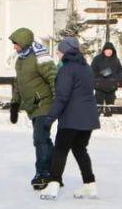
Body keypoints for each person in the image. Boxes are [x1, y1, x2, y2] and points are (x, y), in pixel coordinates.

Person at [40, 37, 101, 200]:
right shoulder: (86, 67)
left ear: (65, 52)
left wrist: (50, 119)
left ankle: (53, 185)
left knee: (60, 150)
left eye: (59, 52)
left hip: (71, 117)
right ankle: (90, 185)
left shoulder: (67, 69)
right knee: (80, 149)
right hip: (88, 117)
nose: (58, 55)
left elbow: (62, 97)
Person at [8, 28, 56, 190]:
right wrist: (15, 103)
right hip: (33, 106)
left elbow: (53, 78)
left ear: (24, 42)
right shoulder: (21, 59)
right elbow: (19, 83)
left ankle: (42, 174)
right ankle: (54, 171)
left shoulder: (40, 57)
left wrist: (58, 101)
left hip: (45, 104)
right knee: (44, 140)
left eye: (16, 44)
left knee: (40, 139)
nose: (14, 47)